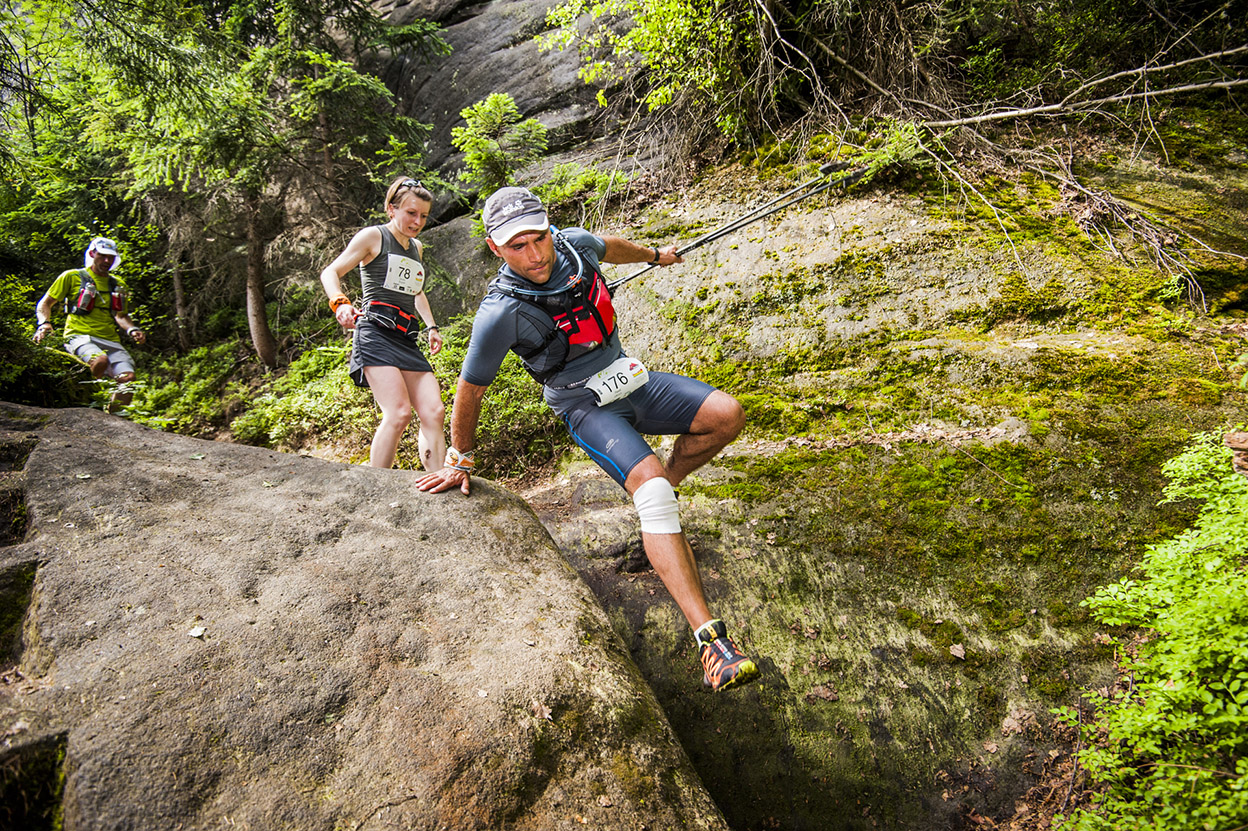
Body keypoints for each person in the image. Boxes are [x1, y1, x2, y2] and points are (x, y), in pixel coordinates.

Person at [417, 186, 759, 692]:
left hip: (630, 378)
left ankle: (658, 492)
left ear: (549, 227)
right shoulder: (499, 313)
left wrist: (655, 255)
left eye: (538, 239)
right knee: (655, 495)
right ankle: (712, 642)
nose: (533, 255)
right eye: (516, 246)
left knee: (726, 414)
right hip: (582, 403)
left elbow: (608, 245)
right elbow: (470, 390)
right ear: (495, 247)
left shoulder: (573, 244)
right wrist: (460, 457)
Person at [320, 177, 447, 471]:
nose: (417, 221)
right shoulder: (373, 237)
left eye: (424, 216)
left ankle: (438, 480)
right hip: (375, 332)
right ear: (392, 209)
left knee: (434, 411)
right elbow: (331, 272)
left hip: (405, 337)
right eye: (411, 213)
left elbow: (416, 291)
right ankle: (375, 484)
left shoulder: (416, 247)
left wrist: (431, 327)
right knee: (399, 413)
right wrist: (340, 303)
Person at [33, 236, 147, 412]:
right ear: (93, 254)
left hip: (111, 340)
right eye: (102, 256)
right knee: (100, 361)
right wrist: (44, 324)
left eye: (111, 257)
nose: (107, 261)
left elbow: (121, 316)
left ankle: (113, 420)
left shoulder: (118, 285)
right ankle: (86, 402)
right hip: (79, 336)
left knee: (128, 379)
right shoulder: (72, 276)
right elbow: (45, 303)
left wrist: (132, 329)